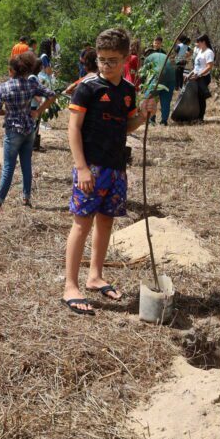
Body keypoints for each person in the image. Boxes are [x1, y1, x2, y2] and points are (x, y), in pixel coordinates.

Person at [62, 28, 155, 315]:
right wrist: (82, 168)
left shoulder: (128, 91)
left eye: (113, 60)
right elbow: (73, 128)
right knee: (82, 223)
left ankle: (95, 275)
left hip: (116, 168)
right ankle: (70, 286)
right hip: (91, 167)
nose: (106, 65)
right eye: (102, 60)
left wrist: (142, 115)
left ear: (127, 59)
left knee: (105, 221)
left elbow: (126, 126)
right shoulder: (87, 88)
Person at [0, 51, 58, 209]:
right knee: (26, 164)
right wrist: (38, 111)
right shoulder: (31, 84)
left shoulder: (4, 87)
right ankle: (26, 198)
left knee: (8, 166)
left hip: (13, 130)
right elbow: (52, 95)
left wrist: (8, 112)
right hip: (29, 128)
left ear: (12, 71)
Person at [143, 40, 177, 125]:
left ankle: (151, 119)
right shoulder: (164, 55)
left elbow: (144, 75)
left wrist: (144, 87)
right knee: (166, 99)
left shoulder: (148, 58)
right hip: (171, 77)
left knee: (149, 97)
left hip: (159, 75)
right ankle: (164, 121)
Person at [188, 34, 215, 121]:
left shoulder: (209, 52)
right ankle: (195, 115)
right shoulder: (200, 51)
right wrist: (190, 74)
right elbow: (197, 66)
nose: (197, 44)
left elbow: (209, 66)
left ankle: (200, 118)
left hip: (203, 78)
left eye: (198, 42)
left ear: (204, 42)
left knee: (201, 98)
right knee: (196, 97)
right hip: (196, 77)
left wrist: (199, 75)